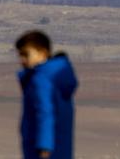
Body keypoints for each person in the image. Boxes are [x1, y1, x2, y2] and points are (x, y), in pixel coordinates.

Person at [15, 28, 78, 159]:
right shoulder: (57, 77)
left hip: (40, 149)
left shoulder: (41, 79)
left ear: (43, 53)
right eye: (20, 55)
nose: (22, 60)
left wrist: (44, 145)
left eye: (26, 54)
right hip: (60, 147)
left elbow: (45, 111)